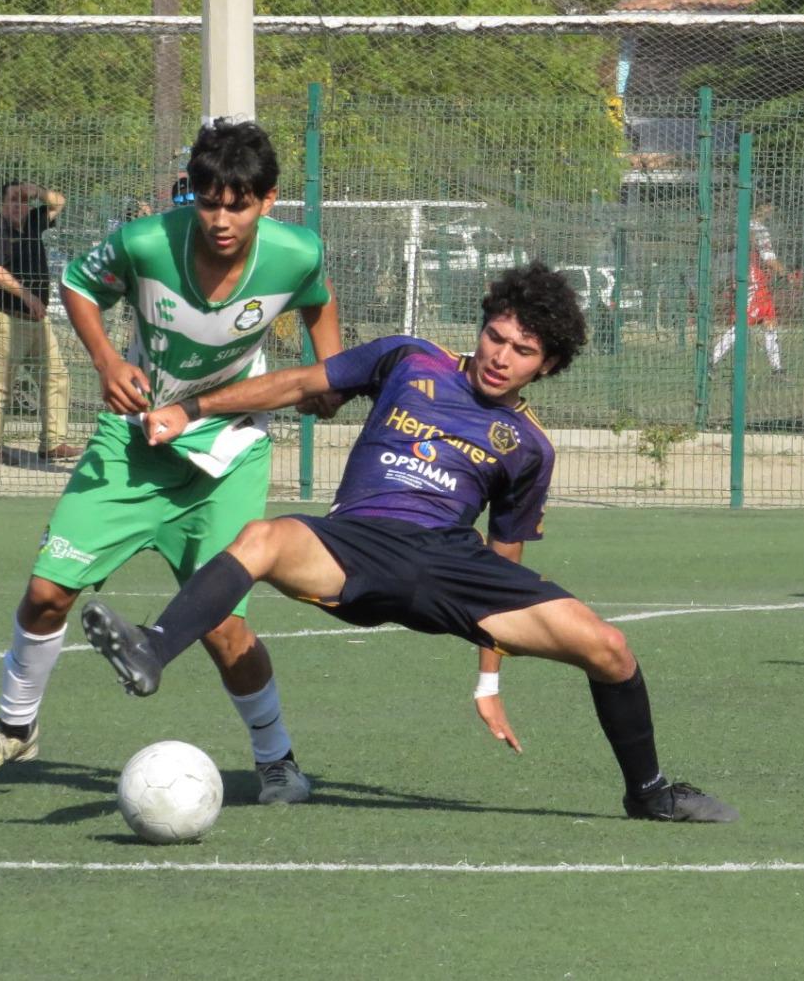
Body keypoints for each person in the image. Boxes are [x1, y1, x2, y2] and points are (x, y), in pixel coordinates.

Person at [78, 262, 738, 823]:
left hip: (453, 565)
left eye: (522, 349)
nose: (499, 354)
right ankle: (155, 647)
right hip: (357, 542)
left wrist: (489, 678)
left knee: (611, 649)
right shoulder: (407, 357)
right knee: (263, 536)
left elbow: (504, 558)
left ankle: (647, 792)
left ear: (549, 365)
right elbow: (301, 384)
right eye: (495, 334)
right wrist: (191, 409)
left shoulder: (531, 447)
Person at [0, 120, 343, 803]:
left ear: (268, 200)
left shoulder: (297, 253)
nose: (220, 218)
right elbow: (77, 284)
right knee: (46, 592)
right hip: (132, 442)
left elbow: (318, 306)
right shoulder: (146, 240)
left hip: (227, 451)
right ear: (192, 191)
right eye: (208, 200)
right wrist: (106, 359)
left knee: (222, 625)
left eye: (237, 204)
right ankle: (14, 727)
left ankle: (276, 760)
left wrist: (329, 377)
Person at [0, 180, 80, 465]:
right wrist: (28, 296)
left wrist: (38, 191)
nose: (18, 206)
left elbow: (59, 201)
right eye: (13, 200)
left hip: (36, 320)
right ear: (1, 204)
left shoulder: (34, 223)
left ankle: (53, 443)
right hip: (3, 317)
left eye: (23, 201)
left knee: (56, 376)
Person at [710, 203, 785, 375]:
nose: (772, 209)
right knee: (742, 324)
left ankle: (777, 369)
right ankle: (711, 361)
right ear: (761, 206)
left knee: (770, 322)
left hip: (760, 280)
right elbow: (767, 257)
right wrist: (784, 272)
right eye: (769, 205)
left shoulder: (749, 226)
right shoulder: (753, 228)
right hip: (752, 279)